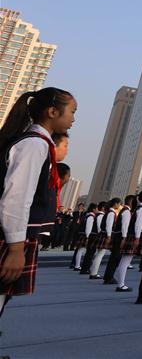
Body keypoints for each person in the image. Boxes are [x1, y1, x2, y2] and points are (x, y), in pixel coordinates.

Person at [0, 88, 76, 324]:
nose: (73, 119)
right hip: (8, 238)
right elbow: (15, 198)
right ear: (52, 112)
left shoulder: (35, 142)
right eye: (72, 112)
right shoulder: (35, 145)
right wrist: (15, 249)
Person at [115, 190, 142, 292]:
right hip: (135, 236)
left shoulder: (140, 208)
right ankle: (120, 284)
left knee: (125, 260)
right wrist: (137, 238)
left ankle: (120, 283)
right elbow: (138, 224)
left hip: (133, 235)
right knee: (125, 261)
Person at [103, 195, 133, 284]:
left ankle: (108, 276)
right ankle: (109, 277)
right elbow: (125, 226)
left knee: (114, 258)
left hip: (117, 235)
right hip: (120, 236)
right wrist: (124, 237)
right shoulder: (126, 211)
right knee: (115, 258)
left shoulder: (123, 211)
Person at [81, 200, 107, 275]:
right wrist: (88, 236)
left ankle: (85, 268)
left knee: (90, 253)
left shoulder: (97, 215)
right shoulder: (100, 215)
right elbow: (99, 227)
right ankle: (85, 269)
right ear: (102, 208)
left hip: (93, 235)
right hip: (94, 236)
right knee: (90, 253)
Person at [73, 203, 96, 272]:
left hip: (82, 233)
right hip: (85, 235)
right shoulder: (91, 216)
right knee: (81, 250)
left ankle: (77, 265)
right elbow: (88, 228)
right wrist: (88, 237)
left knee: (80, 250)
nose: (97, 210)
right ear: (93, 209)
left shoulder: (86, 215)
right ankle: (77, 265)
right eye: (96, 208)